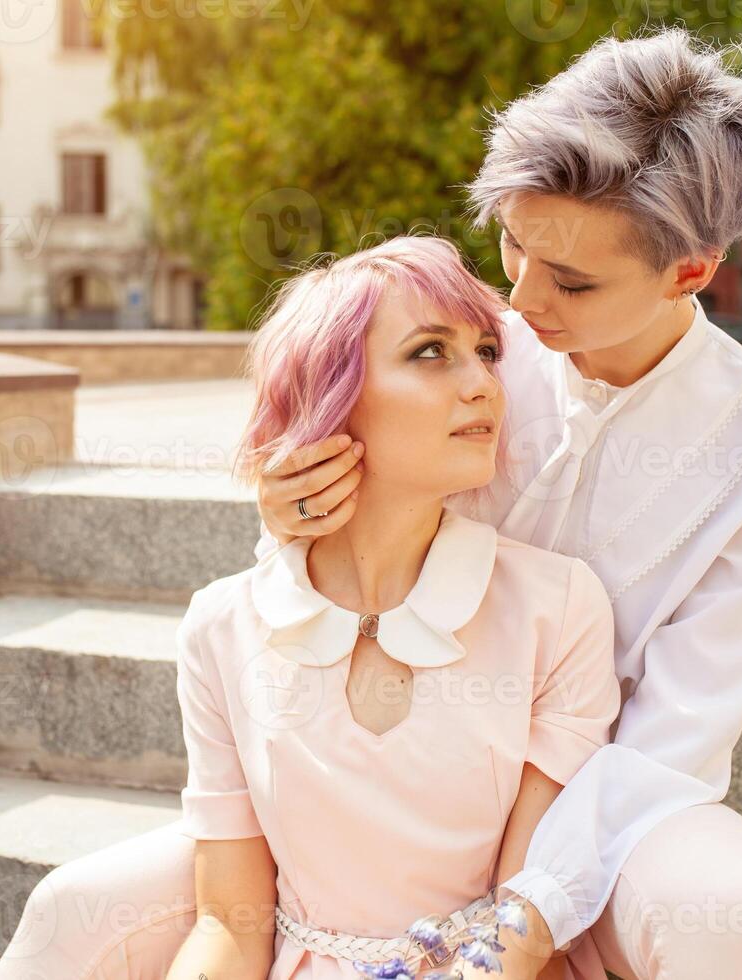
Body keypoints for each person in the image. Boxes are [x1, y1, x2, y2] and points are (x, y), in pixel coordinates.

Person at [0, 25, 742, 980]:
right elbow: (336, 541)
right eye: (512, 245)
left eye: (572, 280)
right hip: (385, 784)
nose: (521, 300)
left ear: (692, 271)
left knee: (730, 913)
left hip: (603, 806)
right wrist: (295, 516)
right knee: (77, 909)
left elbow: (672, 741)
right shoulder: (481, 350)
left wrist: (523, 919)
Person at [164, 235, 622, 979]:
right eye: (431, 353)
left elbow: (524, 923)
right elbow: (229, 923)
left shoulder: (558, 607)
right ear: (330, 396)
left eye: (485, 351)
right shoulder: (222, 626)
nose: (483, 384)